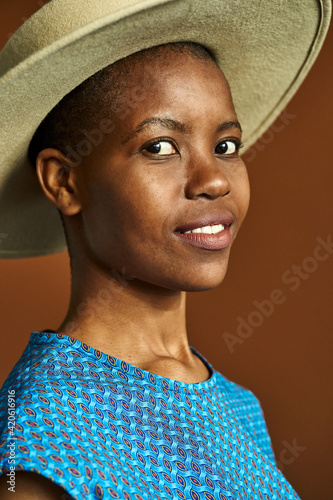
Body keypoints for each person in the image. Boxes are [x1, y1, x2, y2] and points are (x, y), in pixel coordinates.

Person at [0, 1, 330, 499]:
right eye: (159, 147)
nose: (215, 179)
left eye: (225, 146)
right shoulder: (39, 439)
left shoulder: (240, 407)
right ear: (65, 182)